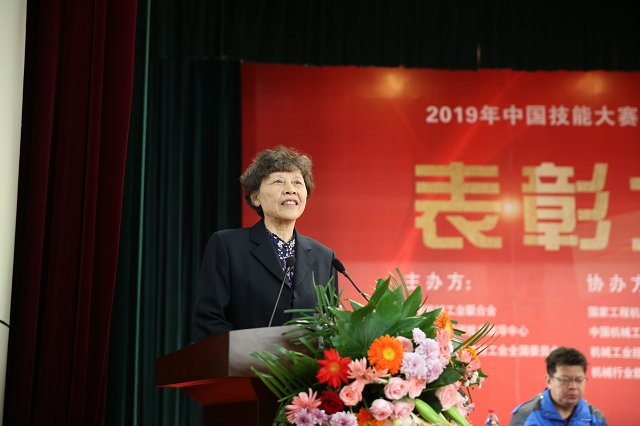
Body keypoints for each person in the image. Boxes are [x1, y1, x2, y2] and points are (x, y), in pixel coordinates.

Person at [194, 145, 338, 340]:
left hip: (306, 360)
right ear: (256, 197)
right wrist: (248, 354)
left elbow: (329, 326)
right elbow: (210, 320)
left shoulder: (325, 258)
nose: (291, 190)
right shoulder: (228, 246)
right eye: (278, 181)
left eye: (297, 182)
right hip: (246, 359)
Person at [509, 347, 607, 426]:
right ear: (549, 380)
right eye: (565, 379)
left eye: (579, 380)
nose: (573, 386)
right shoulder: (526, 416)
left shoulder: (595, 418)